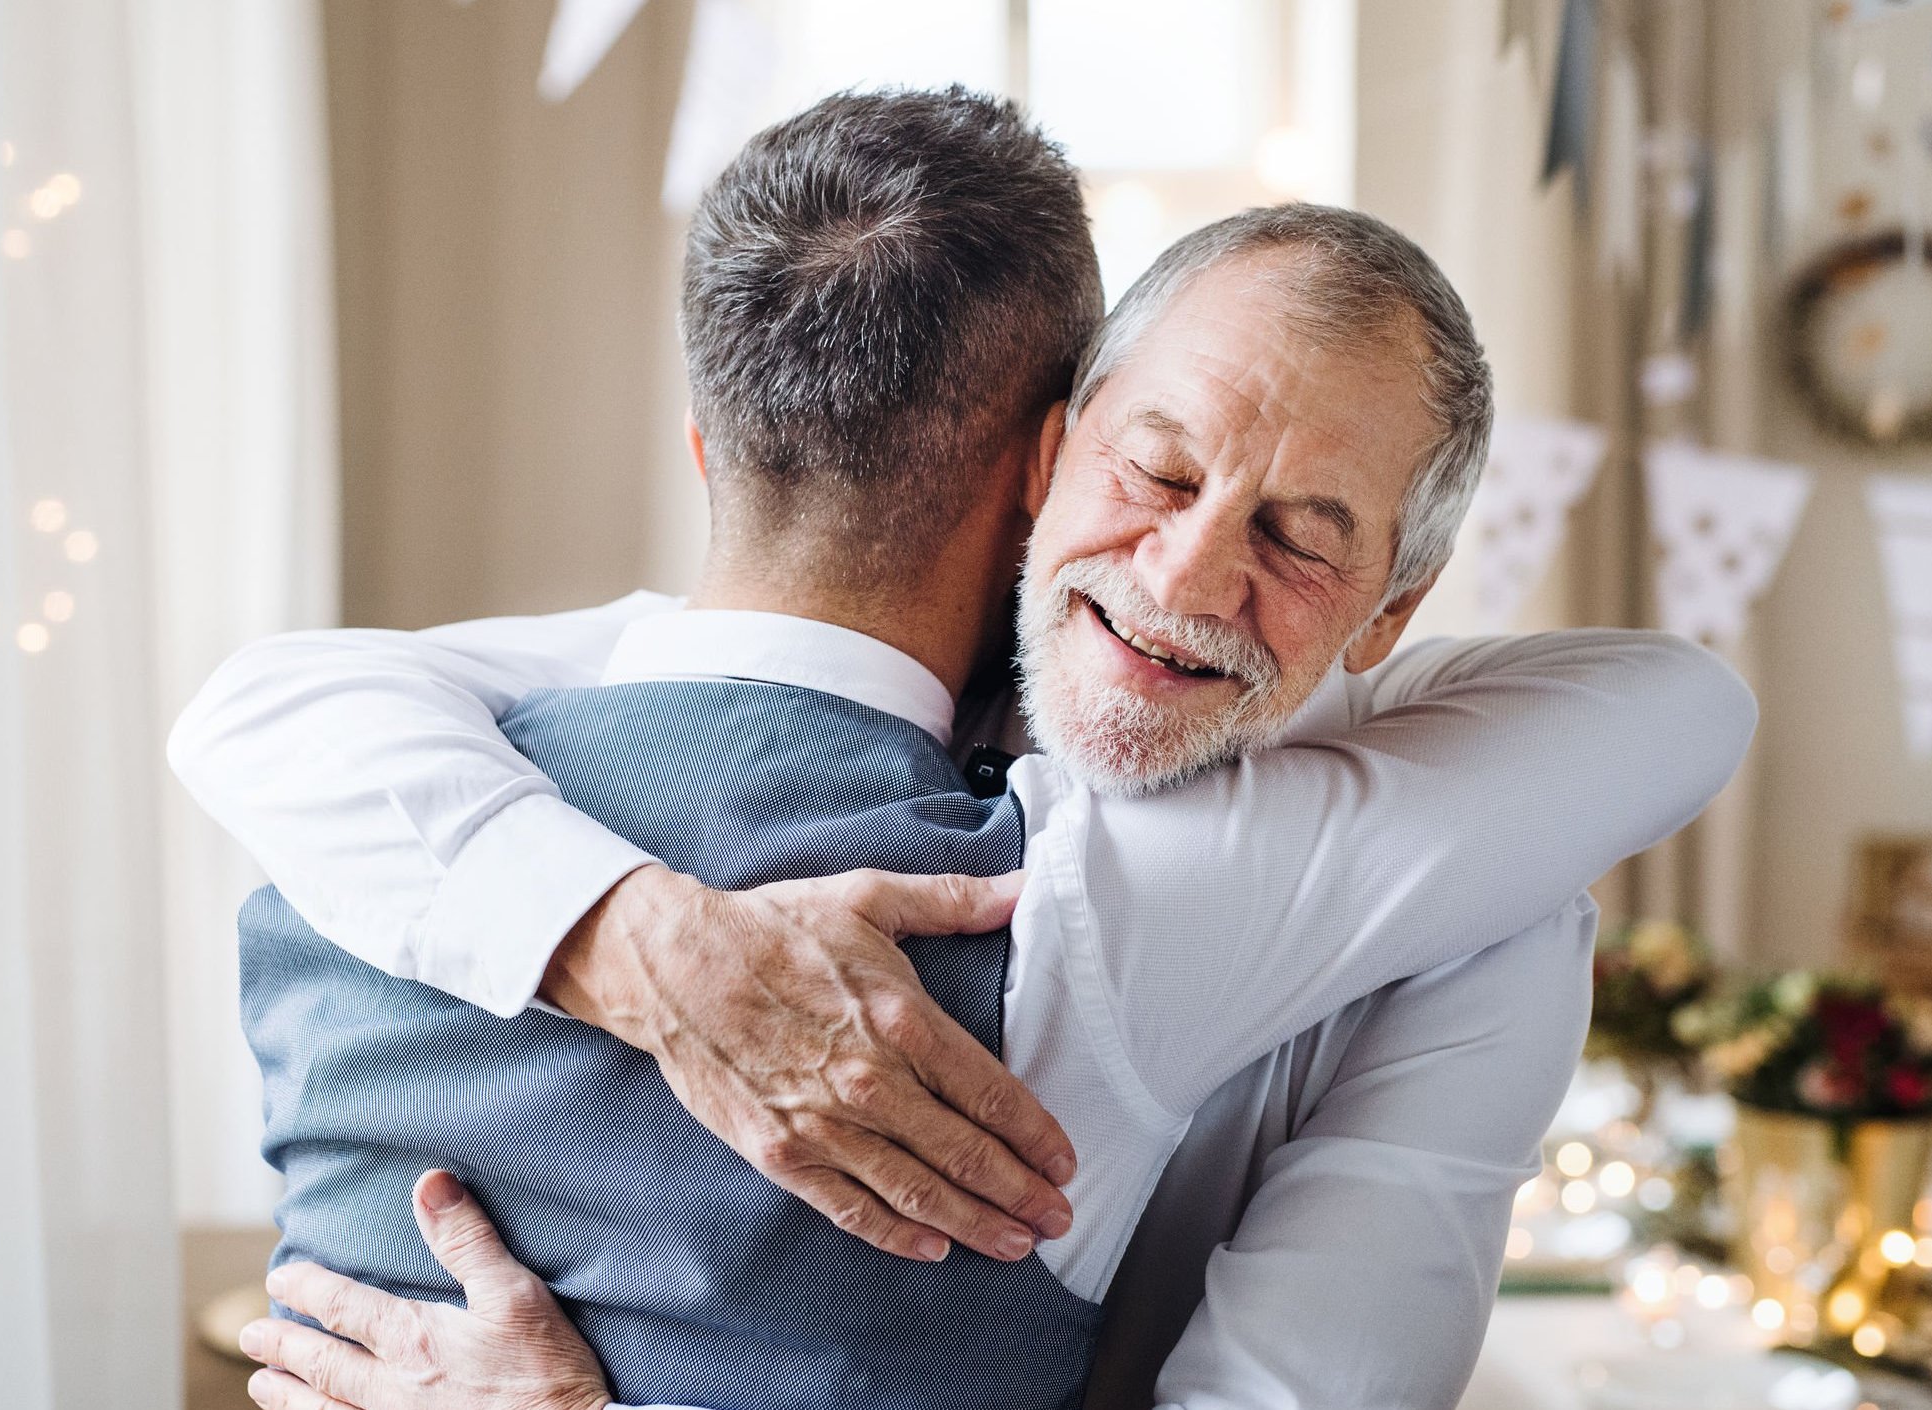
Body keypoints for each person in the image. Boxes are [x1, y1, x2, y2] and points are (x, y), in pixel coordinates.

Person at [174, 88, 1755, 1410]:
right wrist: (642, 939)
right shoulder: (441, 759)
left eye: (1300, 536)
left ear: (1390, 612)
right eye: (1160, 470)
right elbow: (271, 701)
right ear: (1047, 461)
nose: (1188, 576)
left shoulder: (1470, 886)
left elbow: (1683, 706)